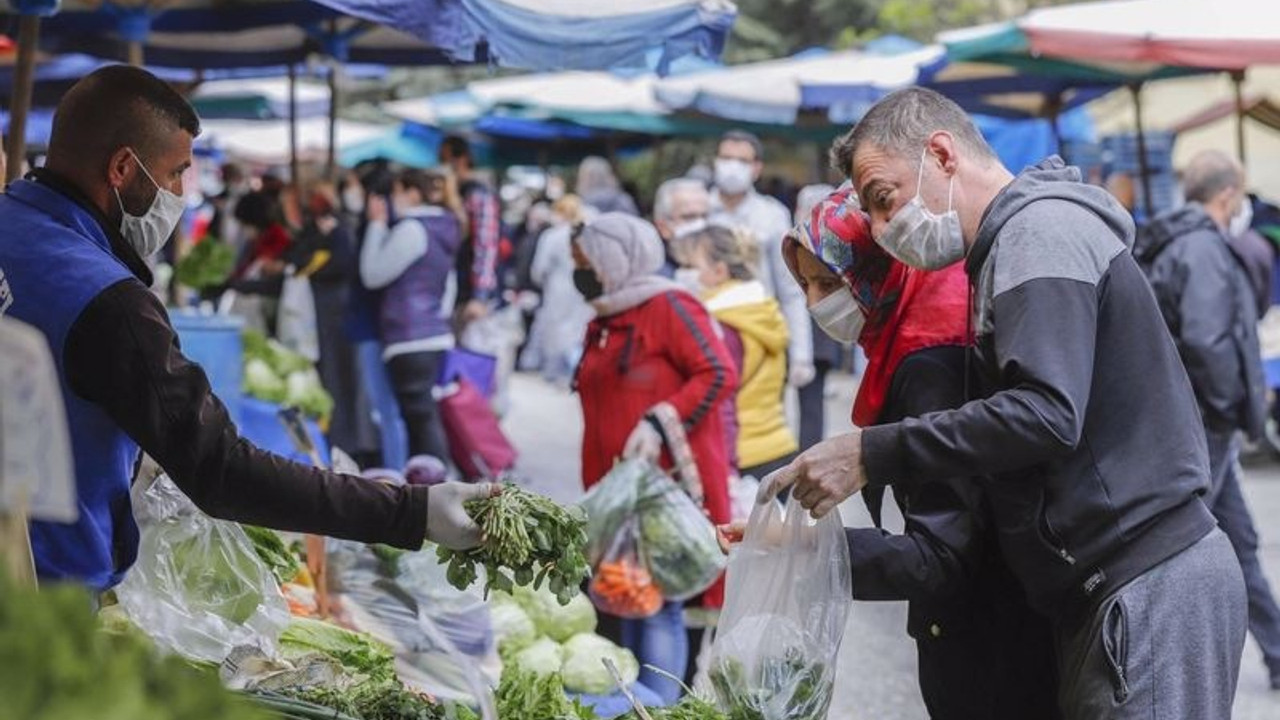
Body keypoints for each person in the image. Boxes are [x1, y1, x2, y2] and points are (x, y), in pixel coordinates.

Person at [767, 87, 1246, 719]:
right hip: (1110, 589)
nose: (883, 232)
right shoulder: (1007, 247)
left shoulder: (1038, 233)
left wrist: (869, 452)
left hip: (1146, 580)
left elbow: (1047, 412)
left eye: (884, 201)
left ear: (941, 154)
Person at [0, 65, 494, 591]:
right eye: (174, 174)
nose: (177, 194)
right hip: (42, 592)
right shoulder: (107, 299)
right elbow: (220, 469)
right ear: (123, 167)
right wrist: (413, 512)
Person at [727, 185, 1060, 718]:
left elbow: (938, 560)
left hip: (995, 648)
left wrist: (802, 547)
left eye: (829, 282)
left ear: (882, 271)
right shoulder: (918, 344)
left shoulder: (931, 366)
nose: (815, 304)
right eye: (806, 285)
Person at [572, 212, 738, 704]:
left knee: (661, 602)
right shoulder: (605, 316)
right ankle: (630, 703)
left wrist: (658, 419)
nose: (580, 271)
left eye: (586, 262)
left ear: (617, 259)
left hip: (663, 487)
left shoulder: (669, 306)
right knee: (623, 598)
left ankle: (660, 708)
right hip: (616, 491)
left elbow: (717, 372)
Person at [1135, 149, 1280, 691]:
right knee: (1176, 549)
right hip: (1203, 424)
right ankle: (1155, 667)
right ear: (1227, 197)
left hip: (1195, 420)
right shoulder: (1202, 250)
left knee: (1239, 539)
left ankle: (1277, 652)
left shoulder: (1180, 242)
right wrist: (1228, 411)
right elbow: (1206, 338)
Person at [360, 168, 465, 470]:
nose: (393, 201)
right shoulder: (444, 228)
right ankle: (436, 485)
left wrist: (377, 227)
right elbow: (448, 286)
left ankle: (436, 488)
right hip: (434, 333)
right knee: (424, 414)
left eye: (396, 193)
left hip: (408, 336)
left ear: (412, 193)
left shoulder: (412, 229)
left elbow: (373, 274)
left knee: (419, 418)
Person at [680, 224, 797, 480]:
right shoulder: (760, 310)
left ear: (719, 271)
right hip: (775, 444)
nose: (682, 274)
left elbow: (718, 395)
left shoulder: (722, 323)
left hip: (739, 455)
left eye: (690, 266)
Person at [708, 130, 814, 397]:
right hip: (708, 337)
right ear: (715, 161)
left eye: (742, 161)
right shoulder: (699, 209)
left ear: (757, 168)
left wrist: (801, 354)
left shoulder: (772, 214)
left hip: (761, 339)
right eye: (726, 158)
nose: (732, 167)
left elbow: (789, 289)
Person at [290, 181, 361, 454]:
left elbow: (339, 262)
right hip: (323, 311)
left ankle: (340, 442)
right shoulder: (320, 229)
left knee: (335, 377)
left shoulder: (338, 230)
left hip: (333, 313)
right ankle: (334, 439)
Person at [521, 194, 594, 385]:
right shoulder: (588, 234)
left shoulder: (552, 236)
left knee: (555, 332)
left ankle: (557, 372)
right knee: (578, 331)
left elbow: (538, 269)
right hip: (583, 290)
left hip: (557, 289)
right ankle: (576, 369)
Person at [792, 183, 841, 450]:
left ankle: (806, 456)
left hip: (819, 336)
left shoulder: (826, 247)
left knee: (811, 406)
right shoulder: (793, 245)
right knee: (811, 406)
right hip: (818, 336)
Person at [438, 135, 501, 327]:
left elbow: (486, 246)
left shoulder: (478, 194)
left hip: (468, 296)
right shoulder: (450, 194)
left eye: (447, 159)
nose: (445, 166)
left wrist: (479, 296)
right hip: (451, 293)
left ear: (463, 159)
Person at [652, 177, 710, 278]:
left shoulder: (720, 261)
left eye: (704, 216)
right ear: (663, 227)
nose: (700, 223)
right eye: (689, 217)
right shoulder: (655, 273)